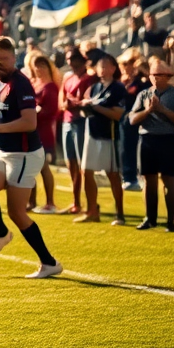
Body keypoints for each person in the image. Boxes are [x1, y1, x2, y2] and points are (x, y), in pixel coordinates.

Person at [0, 36, 64, 278]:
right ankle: (2, 234)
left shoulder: (21, 84)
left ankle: (49, 262)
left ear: (14, 59)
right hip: (3, 151)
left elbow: (29, 122)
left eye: (4, 59)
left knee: (17, 212)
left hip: (24, 154)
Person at [128, 57, 174, 231]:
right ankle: (150, 218)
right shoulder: (144, 94)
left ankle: (171, 220)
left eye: (160, 74)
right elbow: (132, 119)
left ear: (168, 76)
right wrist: (148, 110)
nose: (155, 77)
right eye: (153, 74)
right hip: (147, 139)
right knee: (149, 180)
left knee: (168, 179)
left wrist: (162, 110)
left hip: (167, 139)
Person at [79, 54, 129, 225]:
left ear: (113, 68)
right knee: (86, 171)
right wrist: (85, 107)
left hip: (110, 136)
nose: (102, 70)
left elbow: (117, 114)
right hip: (91, 133)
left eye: (106, 66)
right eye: (100, 67)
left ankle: (120, 214)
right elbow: (85, 107)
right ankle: (92, 210)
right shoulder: (93, 88)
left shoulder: (118, 88)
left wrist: (96, 107)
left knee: (113, 174)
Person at [58, 50, 95, 215]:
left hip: (81, 121)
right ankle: (76, 202)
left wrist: (77, 102)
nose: (71, 62)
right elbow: (62, 101)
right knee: (70, 163)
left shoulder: (90, 79)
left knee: (83, 165)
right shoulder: (68, 78)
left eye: (73, 58)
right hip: (67, 121)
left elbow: (89, 101)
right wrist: (68, 103)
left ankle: (90, 204)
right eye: (68, 59)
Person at [27, 54, 61, 214]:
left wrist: (33, 113)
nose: (39, 68)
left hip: (44, 131)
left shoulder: (51, 87)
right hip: (31, 131)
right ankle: (31, 201)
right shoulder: (34, 84)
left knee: (43, 167)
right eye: (36, 66)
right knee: (30, 168)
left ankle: (50, 202)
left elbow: (51, 110)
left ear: (48, 67)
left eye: (42, 65)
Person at [120, 52, 149, 191]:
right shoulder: (120, 80)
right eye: (124, 64)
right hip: (121, 118)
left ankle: (132, 177)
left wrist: (143, 71)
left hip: (135, 119)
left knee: (132, 149)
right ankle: (126, 176)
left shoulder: (139, 82)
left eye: (129, 64)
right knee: (124, 149)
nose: (126, 67)